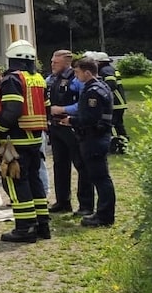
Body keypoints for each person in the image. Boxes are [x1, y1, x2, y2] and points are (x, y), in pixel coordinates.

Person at [0, 39, 51, 242]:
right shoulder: (39, 79)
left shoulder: (12, 80)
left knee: (17, 184)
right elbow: (47, 107)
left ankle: (24, 229)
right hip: (35, 140)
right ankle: (43, 226)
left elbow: (12, 111)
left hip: (15, 143)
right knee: (35, 182)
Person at [58, 56, 116, 227]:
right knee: (100, 177)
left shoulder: (92, 91)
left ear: (87, 73)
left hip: (93, 138)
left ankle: (104, 216)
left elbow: (90, 118)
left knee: (100, 178)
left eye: (77, 73)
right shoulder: (101, 86)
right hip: (96, 137)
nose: (75, 76)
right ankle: (103, 213)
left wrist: (71, 121)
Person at [47, 50, 94, 216]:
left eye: (56, 62)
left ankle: (86, 205)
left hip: (72, 126)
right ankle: (62, 201)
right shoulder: (51, 79)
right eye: (52, 62)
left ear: (67, 63)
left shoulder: (76, 79)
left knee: (81, 165)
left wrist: (62, 109)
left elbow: (83, 104)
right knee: (60, 165)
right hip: (55, 126)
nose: (52, 65)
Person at [94, 52, 129, 154]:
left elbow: (111, 84)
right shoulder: (109, 69)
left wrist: (101, 94)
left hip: (115, 103)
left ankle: (115, 144)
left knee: (112, 124)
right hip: (118, 103)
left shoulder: (106, 70)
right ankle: (123, 144)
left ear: (100, 62)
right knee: (118, 125)